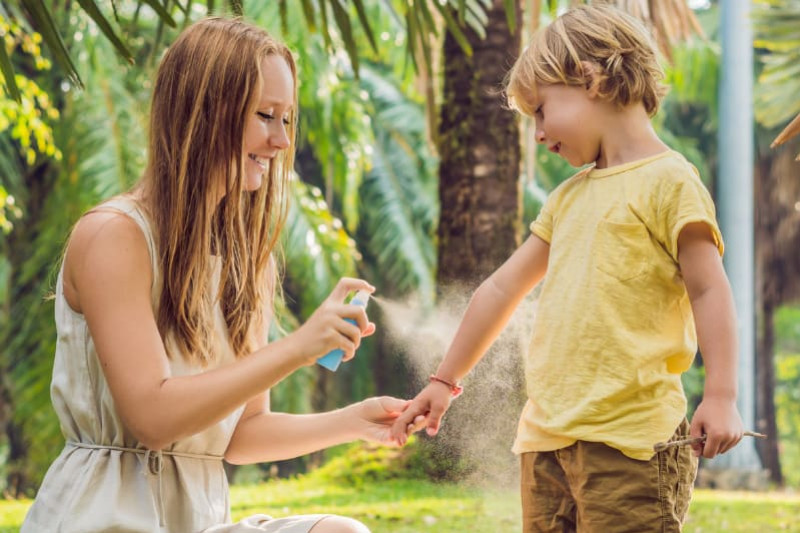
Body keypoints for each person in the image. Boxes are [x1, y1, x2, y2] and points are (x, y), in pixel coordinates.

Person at [21, 17, 418, 533]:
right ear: (203, 112)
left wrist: (353, 422)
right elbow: (153, 418)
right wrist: (297, 348)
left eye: (288, 119)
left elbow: (240, 433)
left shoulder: (243, 258)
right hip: (103, 518)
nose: (280, 141)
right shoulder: (113, 237)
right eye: (265, 116)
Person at [391, 4, 744, 532]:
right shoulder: (566, 199)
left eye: (541, 110)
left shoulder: (671, 181)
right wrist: (445, 379)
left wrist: (721, 395)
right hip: (547, 441)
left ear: (591, 79)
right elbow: (501, 289)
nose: (536, 133)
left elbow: (710, 290)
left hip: (632, 445)